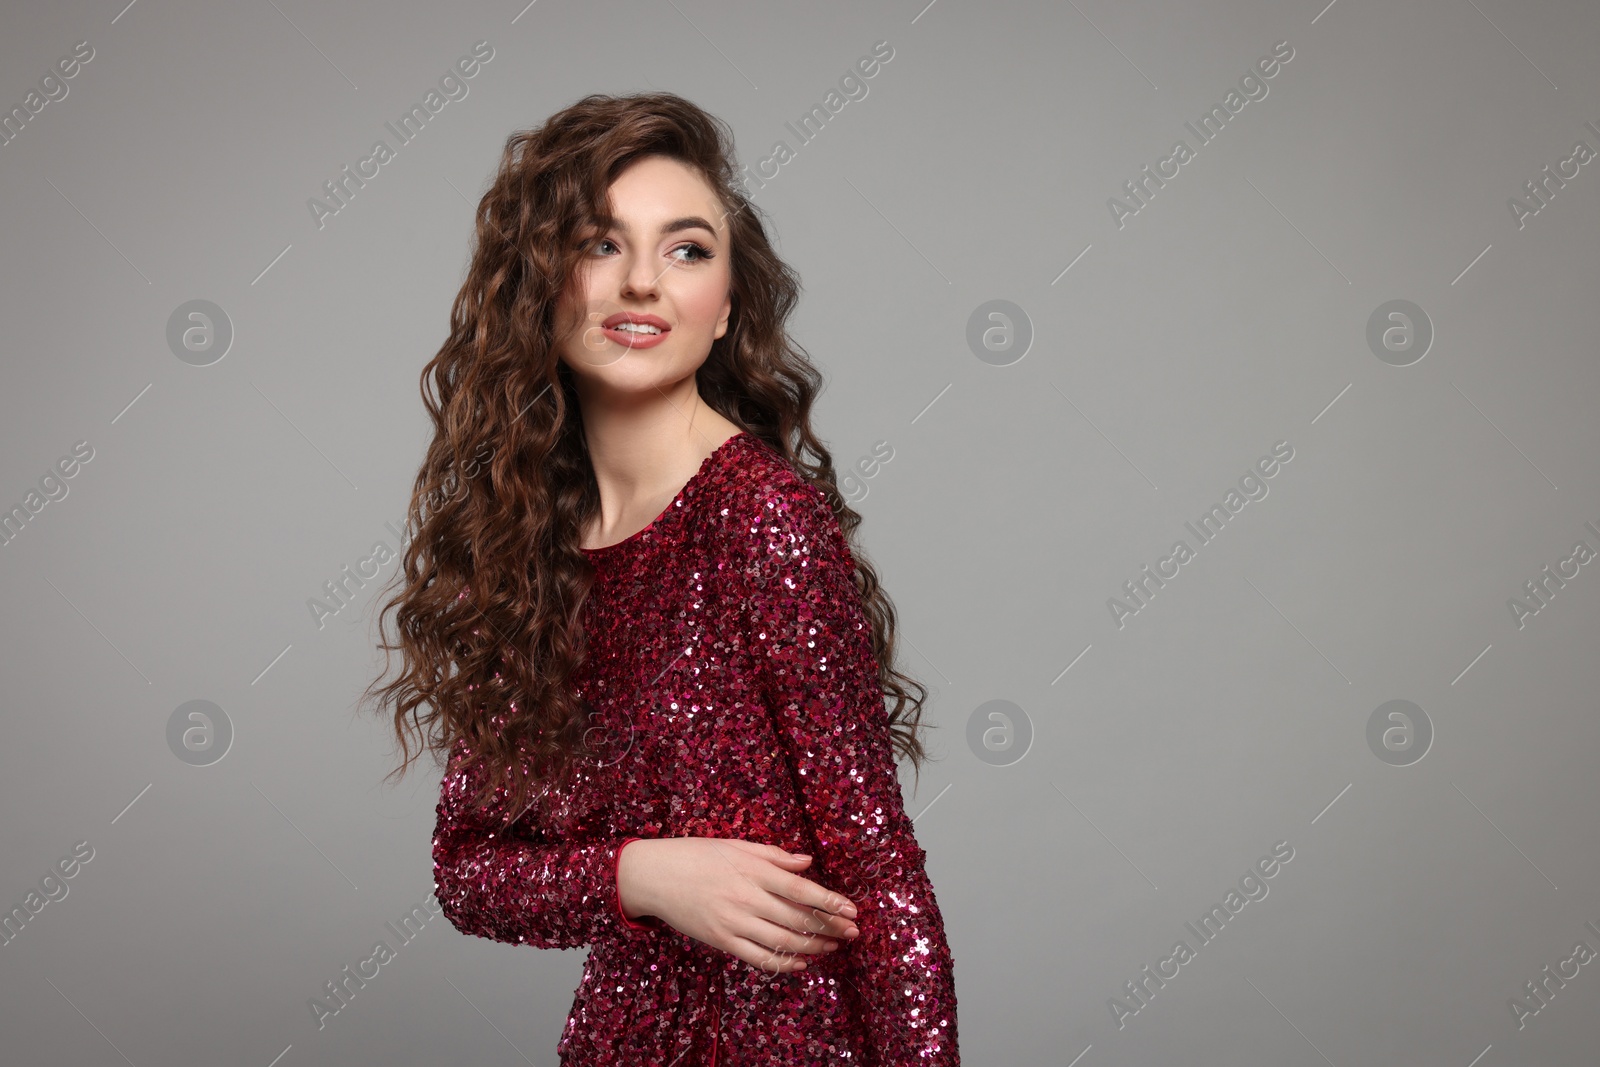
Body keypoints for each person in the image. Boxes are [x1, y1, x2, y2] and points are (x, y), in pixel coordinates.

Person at [363, 91, 958, 1065]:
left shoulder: (760, 518)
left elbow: (879, 867)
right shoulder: (522, 555)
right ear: (540, 287)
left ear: (725, 309)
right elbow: (471, 871)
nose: (642, 281)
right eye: (600, 244)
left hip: (787, 1043)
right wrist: (644, 873)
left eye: (685, 250)